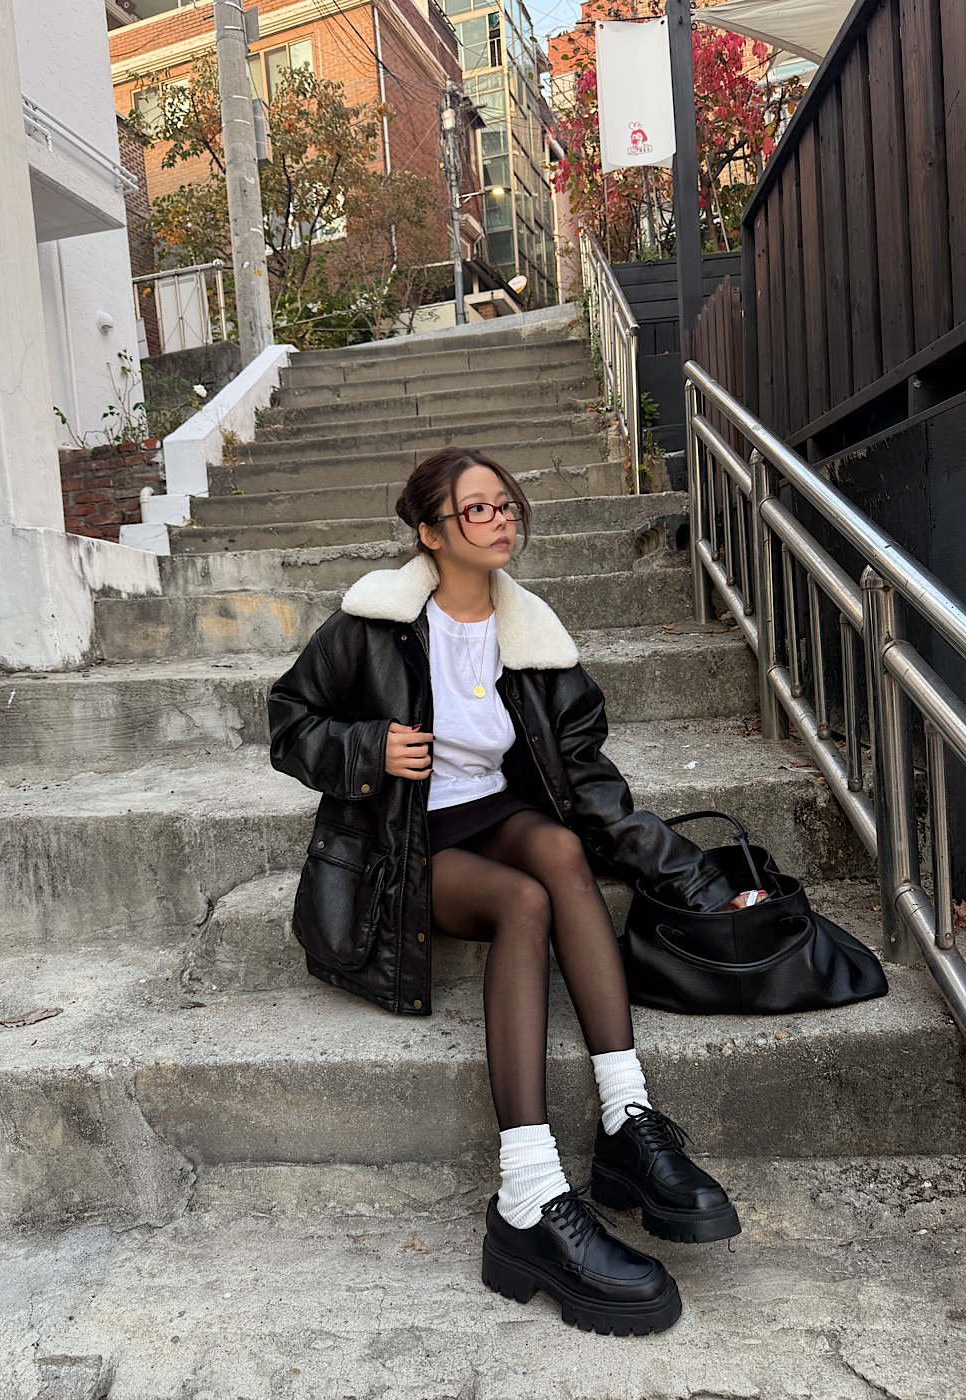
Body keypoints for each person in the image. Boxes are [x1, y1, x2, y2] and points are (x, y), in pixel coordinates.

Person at [268, 447, 764, 1338]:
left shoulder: (531, 634)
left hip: (492, 813)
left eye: (505, 505)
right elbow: (289, 721)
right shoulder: (374, 623)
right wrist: (367, 748)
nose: (501, 520)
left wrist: (699, 880)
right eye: (478, 509)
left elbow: (592, 785)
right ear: (431, 533)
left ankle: (627, 1116)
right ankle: (527, 1194)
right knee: (523, 904)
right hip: (405, 839)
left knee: (563, 848)